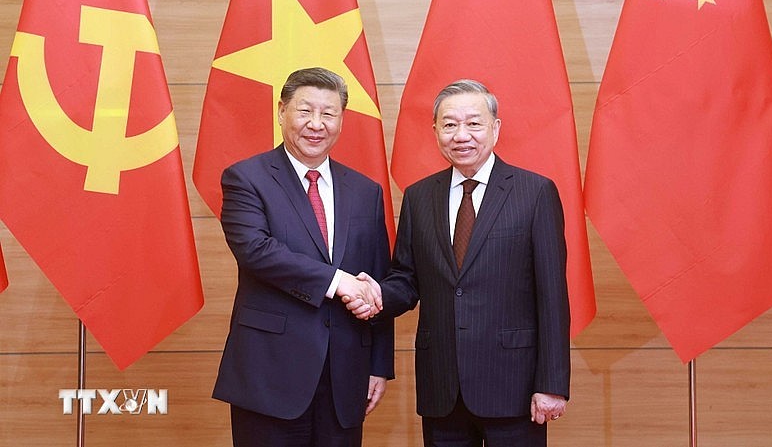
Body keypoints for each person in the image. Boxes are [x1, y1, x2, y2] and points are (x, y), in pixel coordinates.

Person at [347, 79, 570, 447]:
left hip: (513, 387)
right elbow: (407, 278)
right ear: (435, 132)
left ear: (495, 129)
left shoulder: (534, 192)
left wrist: (552, 384)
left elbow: (552, 297)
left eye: (474, 123)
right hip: (442, 388)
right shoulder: (420, 197)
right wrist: (376, 294)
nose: (461, 135)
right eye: (449, 125)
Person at [213, 67, 394, 447]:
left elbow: (376, 280)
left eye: (329, 114)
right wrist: (337, 281)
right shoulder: (246, 178)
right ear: (282, 112)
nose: (317, 124)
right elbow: (256, 250)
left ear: (341, 120)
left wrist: (378, 366)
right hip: (269, 374)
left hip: (346, 377)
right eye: (304, 111)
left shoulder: (366, 191)